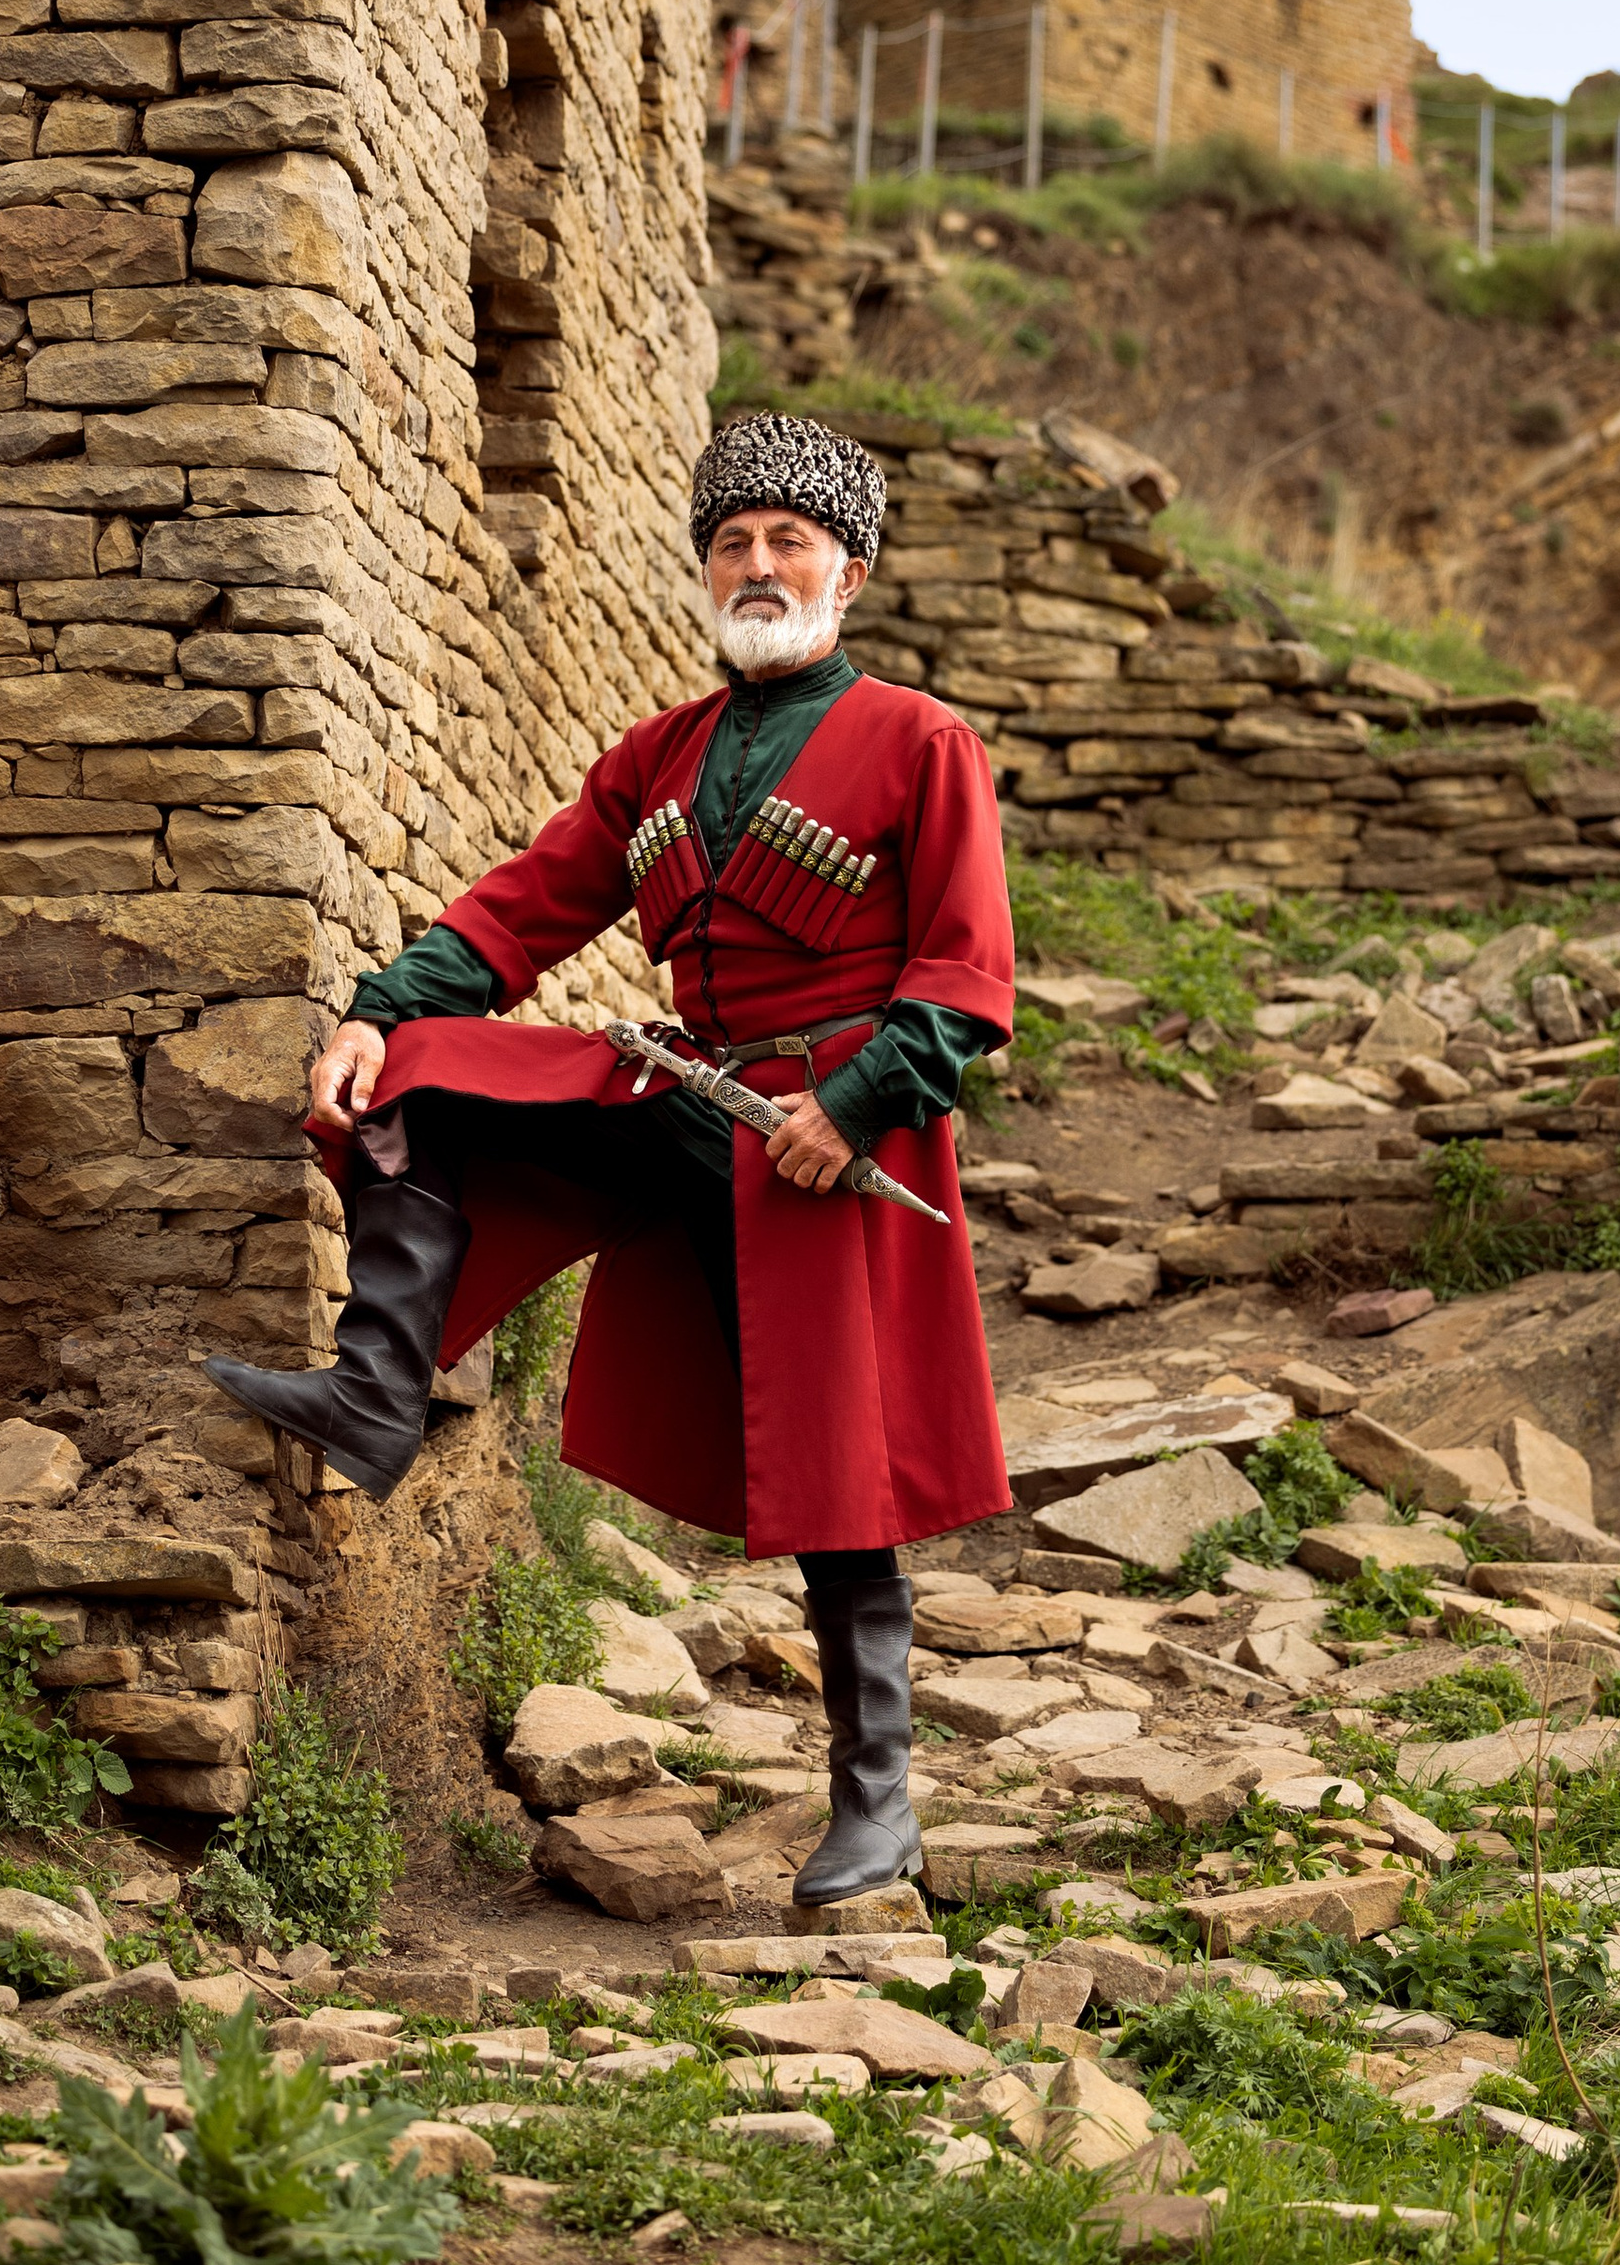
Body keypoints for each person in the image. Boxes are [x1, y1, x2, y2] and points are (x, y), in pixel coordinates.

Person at [207, 411, 1016, 1908]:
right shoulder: (658, 756)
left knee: (844, 1470)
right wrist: (383, 1011)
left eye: (790, 543)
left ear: (849, 574)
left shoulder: (919, 741)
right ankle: (378, 1388)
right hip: (687, 1098)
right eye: (733, 544)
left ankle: (879, 1803)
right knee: (433, 1078)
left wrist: (854, 1107)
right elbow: (521, 915)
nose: (759, 566)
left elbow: (967, 982)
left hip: (826, 1137)